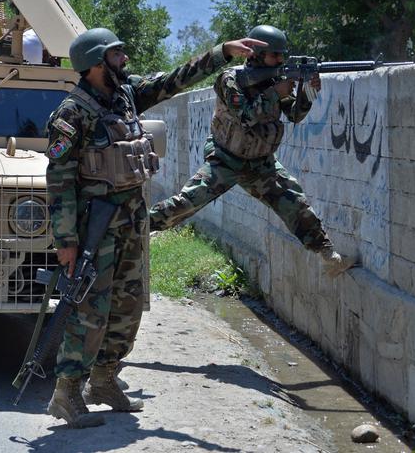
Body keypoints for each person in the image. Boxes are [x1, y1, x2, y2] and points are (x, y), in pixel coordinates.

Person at [44, 27, 265, 427]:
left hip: (130, 221)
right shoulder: (72, 114)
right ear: (95, 64)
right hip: (96, 228)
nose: (124, 60)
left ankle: (105, 380)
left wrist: (222, 53)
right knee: (90, 311)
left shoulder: (126, 95)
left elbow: (174, 79)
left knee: (128, 308)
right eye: (116, 55)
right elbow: (59, 182)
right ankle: (67, 392)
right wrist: (66, 241)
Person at [148, 25, 360, 278]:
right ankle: (137, 226)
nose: (280, 60)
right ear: (256, 54)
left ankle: (329, 257)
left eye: (282, 55)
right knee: (187, 202)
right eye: (275, 55)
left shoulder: (273, 80)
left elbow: (294, 115)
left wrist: (307, 92)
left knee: (296, 203)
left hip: (260, 163)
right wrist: (274, 92)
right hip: (225, 159)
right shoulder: (230, 79)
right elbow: (246, 116)